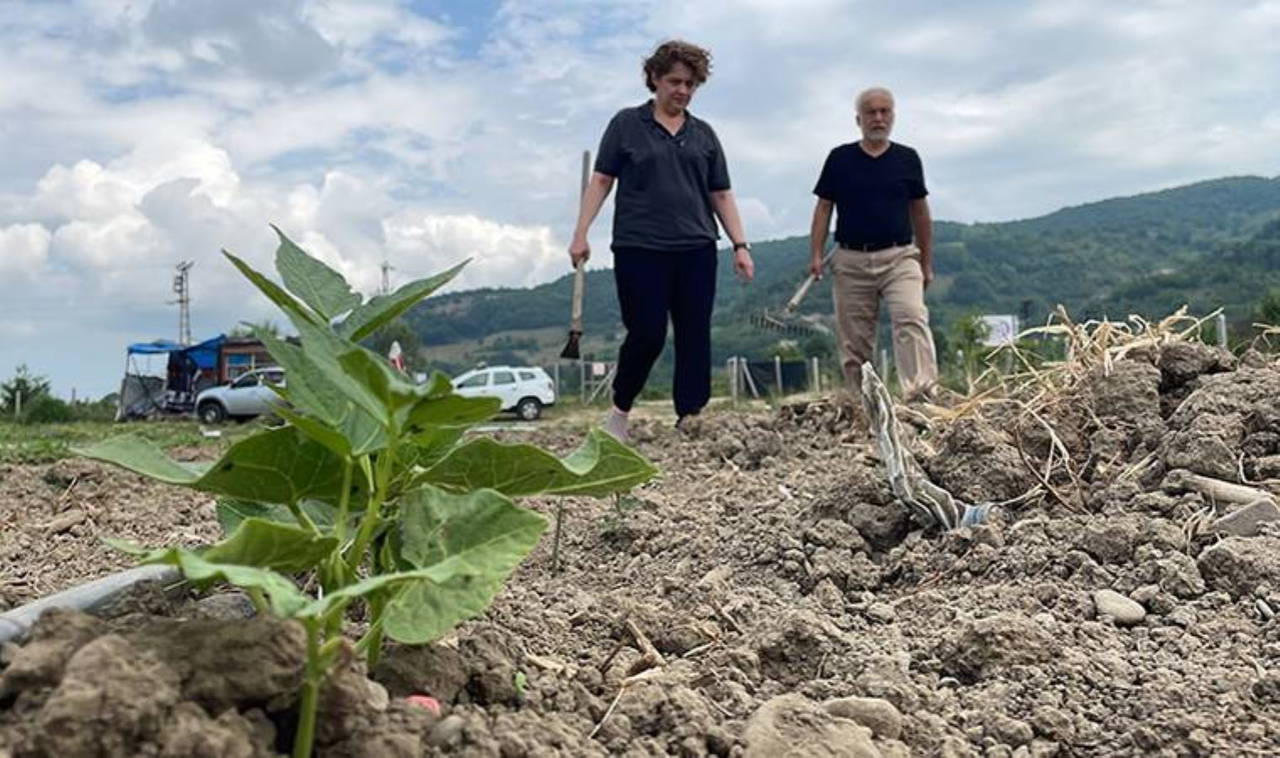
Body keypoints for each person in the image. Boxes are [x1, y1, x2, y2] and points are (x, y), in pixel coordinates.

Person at [569, 39, 754, 442]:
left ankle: (691, 415)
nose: (683, 91)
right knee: (647, 331)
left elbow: (720, 193)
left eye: (690, 84)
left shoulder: (704, 135)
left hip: (697, 247)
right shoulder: (626, 124)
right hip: (640, 246)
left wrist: (740, 245)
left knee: (694, 333)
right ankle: (620, 408)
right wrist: (581, 233)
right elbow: (601, 181)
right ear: (654, 78)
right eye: (675, 82)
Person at [807, 86, 938, 401]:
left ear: (893, 116)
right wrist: (815, 253)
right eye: (871, 112)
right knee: (855, 341)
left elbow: (920, 211)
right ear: (859, 119)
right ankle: (864, 404)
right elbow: (824, 207)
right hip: (851, 259)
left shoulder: (907, 159)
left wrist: (926, 262)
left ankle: (921, 395)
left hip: (900, 256)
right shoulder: (840, 159)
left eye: (885, 111)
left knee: (911, 316)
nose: (878, 118)